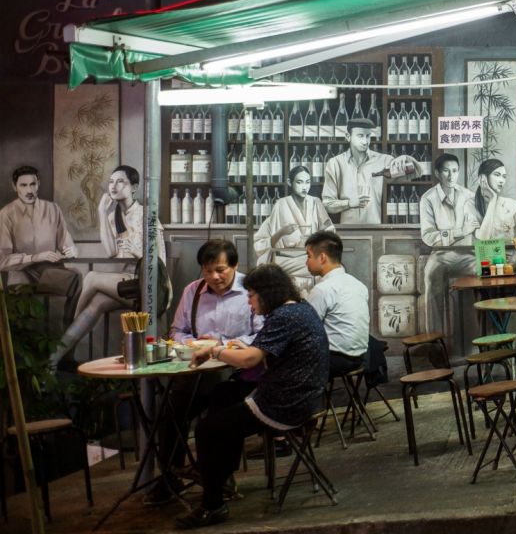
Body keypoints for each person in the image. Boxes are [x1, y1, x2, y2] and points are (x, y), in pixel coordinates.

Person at [175, 264, 328, 529]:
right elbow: (257, 351)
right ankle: (222, 478)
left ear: (266, 294)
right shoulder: (299, 309)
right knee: (224, 395)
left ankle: (212, 505)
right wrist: (228, 348)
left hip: (285, 403)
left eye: (251, 295)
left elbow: (249, 359)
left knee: (207, 429)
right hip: (305, 395)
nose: (249, 301)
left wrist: (214, 351)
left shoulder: (284, 316)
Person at [146, 239, 264, 506]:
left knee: (221, 414)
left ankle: (220, 479)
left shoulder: (251, 290)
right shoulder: (193, 291)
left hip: (239, 373)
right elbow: (177, 331)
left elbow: (261, 333)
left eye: (220, 270)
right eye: (208, 271)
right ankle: (169, 478)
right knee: (172, 412)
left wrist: (220, 344)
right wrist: (191, 342)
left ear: (234, 265)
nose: (214, 277)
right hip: (199, 372)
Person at [51, 165, 167, 368]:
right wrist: (101, 213)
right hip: (127, 285)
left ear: (134, 187)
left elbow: (161, 264)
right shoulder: (114, 216)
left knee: (91, 278)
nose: (113, 186)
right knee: (96, 303)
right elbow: (111, 252)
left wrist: (138, 252)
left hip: (149, 287)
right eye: (111, 181)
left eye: (120, 181)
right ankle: (55, 360)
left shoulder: (146, 215)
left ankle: (64, 339)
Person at [0, 165, 81, 324]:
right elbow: (2, 260)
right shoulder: (6, 214)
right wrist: (35, 257)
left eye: (33, 184)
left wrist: (73, 250)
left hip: (49, 274)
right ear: (14, 186)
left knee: (77, 277)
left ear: (38, 184)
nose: (29, 190)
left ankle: (68, 327)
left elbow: (65, 241)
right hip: (22, 275)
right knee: (22, 295)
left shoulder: (53, 209)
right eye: (23, 185)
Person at [419, 153, 479, 339]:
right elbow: (428, 237)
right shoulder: (428, 199)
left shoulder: (469, 196)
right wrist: (458, 232)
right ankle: (435, 341)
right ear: (437, 173)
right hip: (441, 255)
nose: (451, 176)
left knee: (490, 273)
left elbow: (477, 228)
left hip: (468, 254)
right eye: (446, 171)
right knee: (431, 276)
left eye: (454, 171)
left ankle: (484, 338)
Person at [254, 165, 335, 292]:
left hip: (310, 255)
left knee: (323, 264)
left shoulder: (316, 202)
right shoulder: (281, 204)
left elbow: (330, 230)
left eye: (307, 182)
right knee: (325, 266)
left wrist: (320, 235)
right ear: (289, 183)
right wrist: (282, 232)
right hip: (287, 258)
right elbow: (263, 242)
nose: (304, 187)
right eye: (299, 182)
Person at [322, 118, 418, 225]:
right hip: (347, 232)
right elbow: (327, 204)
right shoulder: (335, 164)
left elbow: (416, 173)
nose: (365, 141)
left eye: (368, 136)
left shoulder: (384, 160)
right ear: (348, 137)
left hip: (376, 230)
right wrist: (349, 203)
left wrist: (406, 159)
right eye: (360, 136)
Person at [304, 230, 370, 376]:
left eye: (308, 256)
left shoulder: (323, 289)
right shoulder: (358, 285)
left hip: (335, 360)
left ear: (322, 258)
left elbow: (305, 327)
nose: (306, 262)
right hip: (361, 357)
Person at [472, 158, 516, 241]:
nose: (501, 180)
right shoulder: (469, 205)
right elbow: (483, 239)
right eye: (497, 175)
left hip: (509, 253)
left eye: (504, 177)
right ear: (482, 178)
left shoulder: (513, 206)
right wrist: (493, 200)